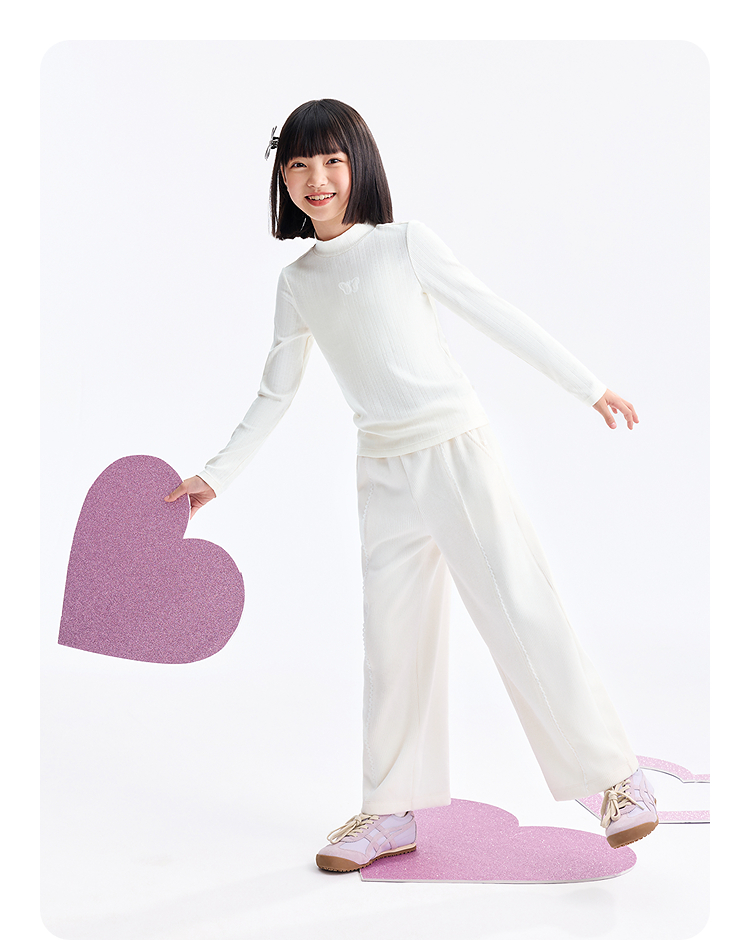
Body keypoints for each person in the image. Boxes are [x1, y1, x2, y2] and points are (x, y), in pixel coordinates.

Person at [166, 98, 658, 873]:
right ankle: (391, 810)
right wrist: (216, 475)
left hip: (455, 451)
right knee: (392, 646)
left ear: (359, 165)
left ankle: (617, 778)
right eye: (298, 165)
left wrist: (588, 386)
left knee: (520, 610)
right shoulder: (298, 282)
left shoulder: (403, 245)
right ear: (282, 180)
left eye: (332, 160)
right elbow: (275, 392)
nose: (317, 178)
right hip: (382, 471)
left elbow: (494, 313)